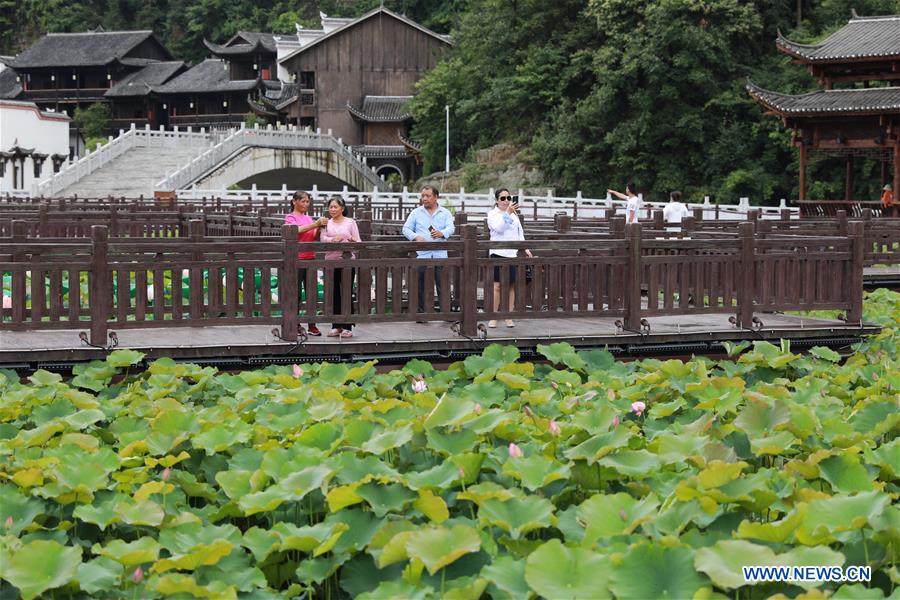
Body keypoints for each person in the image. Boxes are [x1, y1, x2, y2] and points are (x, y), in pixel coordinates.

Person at [401, 185, 455, 320]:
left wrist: (442, 233)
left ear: (436, 197)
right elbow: (405, 229)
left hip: (440, 254)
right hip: (422, 254)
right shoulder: (416, 212)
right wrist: (415, 236)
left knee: (443, 285)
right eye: (423, 196)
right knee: (420, 285)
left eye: (428, 196)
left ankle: (446, 314)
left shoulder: (445, 213)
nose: (424, 199)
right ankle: (421, 315)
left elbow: (451, 228)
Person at [284, 190, 328, 336]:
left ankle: (312, 325)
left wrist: (319, 228)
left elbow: (313, 236)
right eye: (302, 201)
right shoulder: (290, 217)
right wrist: (315, 224)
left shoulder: (308, 218)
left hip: (310, 258)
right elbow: (295, 231)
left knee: (311, 293)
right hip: (296, 259)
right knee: (296, 294)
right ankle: (295, 324)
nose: (305, 204)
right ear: (294, 202)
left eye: (307, 201)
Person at [486, 188, 532, 328]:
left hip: (512, 253)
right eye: (502, 198)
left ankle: (508, 315)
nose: (506, 201)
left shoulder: (514, 214)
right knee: (497, 286)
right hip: (498, 252)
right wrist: (508, 213)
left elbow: (519, 232)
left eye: (508, 198)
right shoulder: (492, 214)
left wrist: (525, 248)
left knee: (511, 285)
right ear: (497, 200)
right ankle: (493, 316)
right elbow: (498, 228)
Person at [320, 196, 361, 338]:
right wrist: (333, 239)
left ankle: (347, 326)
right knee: (333, 293)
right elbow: (322, 239)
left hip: (347, 262)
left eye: (335, 207)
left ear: (342, 208)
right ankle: (336, 325)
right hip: (330, 261)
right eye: (330, 207)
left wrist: (351, 239)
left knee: (346, 292)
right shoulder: (326, 223)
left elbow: (359, 242)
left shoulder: (350, 222)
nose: (332, 209)